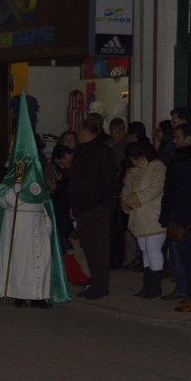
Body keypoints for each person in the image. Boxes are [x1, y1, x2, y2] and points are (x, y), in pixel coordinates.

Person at [0, 94, 69, 308]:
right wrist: (14, 191)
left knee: (40, 259)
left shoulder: (38, 177)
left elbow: (44, 200)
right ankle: (20, 295)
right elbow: (2, 201)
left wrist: (47, 220)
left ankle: (39, 295)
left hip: (37, 222)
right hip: (18, 223)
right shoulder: (9, 178)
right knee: (20, 260)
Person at [158, 125, 191, 311]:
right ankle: (189, 293)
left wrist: (183, 218)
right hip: (179, 216)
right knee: (185, 258)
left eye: (178, 137)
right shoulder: (180, 160)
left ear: (188, 139)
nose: (174, 140)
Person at [69, 117, 115, 298]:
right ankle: (95, 281)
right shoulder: (83, 151)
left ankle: (101, 285)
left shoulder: (101, 152)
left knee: (98, 248)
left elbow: (106, 180)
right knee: (88, 246)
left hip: (95, 207)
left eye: (79, 131)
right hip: (84, 206)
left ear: (86, 132)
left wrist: (102, 203)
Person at [120, 140, 166, 298]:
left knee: (153, 249)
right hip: (137, 216)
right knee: (145, 250)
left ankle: (155, 287)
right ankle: (148, 286)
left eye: (135, 156)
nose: (133, 160)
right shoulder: (132, 170)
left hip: (153, 215)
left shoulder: (156, 166)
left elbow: (155, 188)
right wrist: (124, 201)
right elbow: (126, 188)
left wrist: (133, 199)